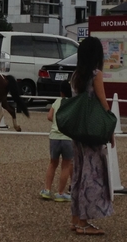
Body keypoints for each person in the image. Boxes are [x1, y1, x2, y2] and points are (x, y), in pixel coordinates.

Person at [69, 36, 114, 235]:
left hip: (78, 130)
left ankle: (76, 219)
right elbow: (103, 103)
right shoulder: (96, 74)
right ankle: (84, 222)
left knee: (78, 173)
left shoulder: (76, 76)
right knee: (92, 174)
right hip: (93, 131)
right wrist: (109, 128)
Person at [40, 80, 73, 202]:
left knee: (53, 163)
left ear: (61, 91)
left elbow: (49, 116)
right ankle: (60, 193)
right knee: (66, 165)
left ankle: (47, 190)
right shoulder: (73, 103)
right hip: (67, 138)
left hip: (54, 136)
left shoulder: (56, 101)